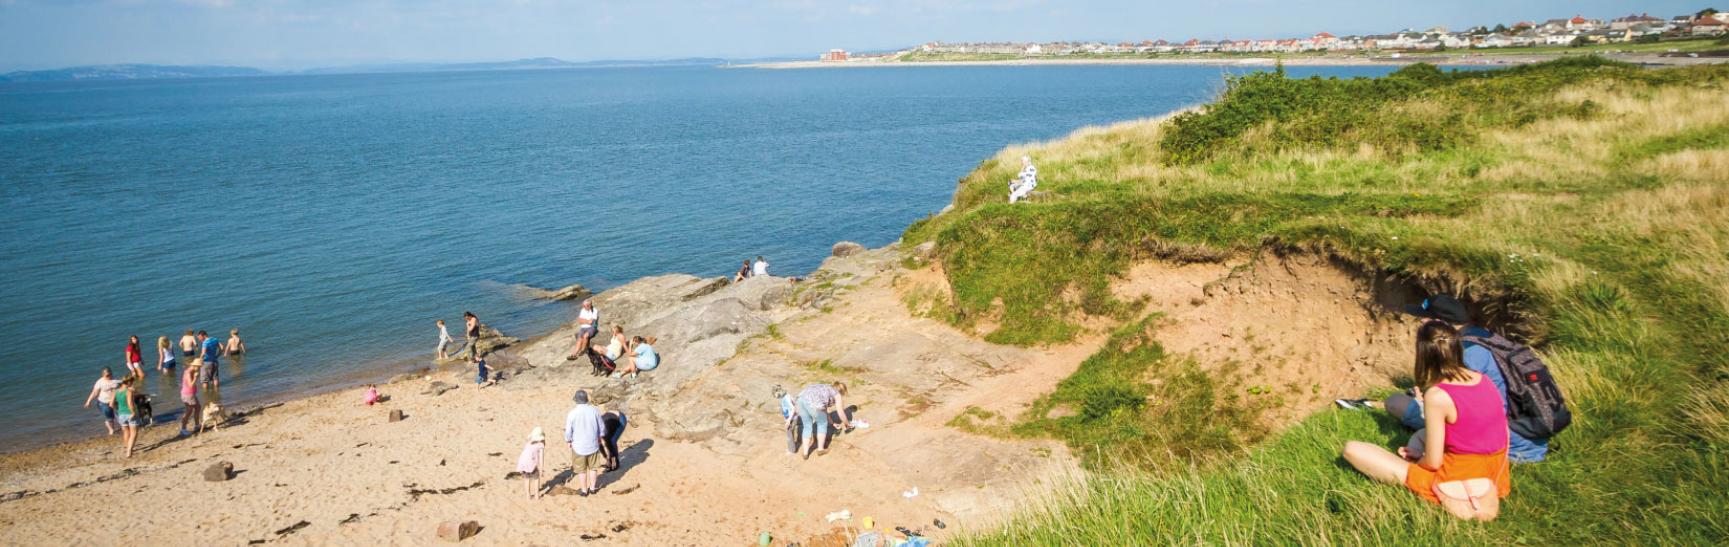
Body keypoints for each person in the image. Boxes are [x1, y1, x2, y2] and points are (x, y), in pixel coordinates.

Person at [1343, 321, 1510, 521]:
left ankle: (1421, 476)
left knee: (1352, 450)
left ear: (1424, 354)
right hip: (1495, 469)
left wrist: (1418, 460)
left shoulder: (1438, 395)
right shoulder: (1482, 379)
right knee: (1421, 435)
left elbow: (1433, 463)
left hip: (1460, 474)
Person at [1378, 295, 1549, 463]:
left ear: (1440, 323)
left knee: (1395, 402)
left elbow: (1461, 410)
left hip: (1507, 445)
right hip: (1533, 437)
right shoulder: (1486, 337)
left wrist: (1428, 400)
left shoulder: (1466, 353)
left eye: (1424, 319)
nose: (1421, 323)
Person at [563, 390, 606, 496]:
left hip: (578, 447)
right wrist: (600, 437)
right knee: (593, 468)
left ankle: (584, 490)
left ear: (576, 400)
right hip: (593, 445)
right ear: (586, 399)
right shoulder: (594, 410)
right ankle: (592, 488)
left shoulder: (572, 413)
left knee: (581, 470)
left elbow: (568, 431)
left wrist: (568, 440)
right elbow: (602, 427)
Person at [794, 382, 852, 460]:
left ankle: (805, 453)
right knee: (822, 423)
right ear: (842, 391)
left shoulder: (825, 388)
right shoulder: (836, 394)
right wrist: (847, 424)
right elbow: (841, 412)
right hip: (812, 404)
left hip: (801, 400)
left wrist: (832, 423)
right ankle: (820, 449)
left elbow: (823, 409)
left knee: (807, 426)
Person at [82, 367, 122, 436]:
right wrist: (88, 401)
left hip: (115, 401)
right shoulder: (100, 382)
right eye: (107, 376)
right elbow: (94, 392)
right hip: (103, 403)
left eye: (110, 374)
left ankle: (123, 426)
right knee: (110, 417)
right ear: (103, 375)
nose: (109, 376)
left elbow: (124, 386)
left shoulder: (116, 381)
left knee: (120, 414)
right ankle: (111, 429)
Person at [114, 375, 141, 458]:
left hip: (121, 414)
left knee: (126, 432)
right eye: (132, 382)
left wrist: (118, 409)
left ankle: (127, 447)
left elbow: (111, 403)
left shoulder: (116, 391)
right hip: (129, 413)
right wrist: (133, 412)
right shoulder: (129, 391)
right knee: (134, 433)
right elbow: (130, 403)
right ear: (129, 382)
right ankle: (129, 451)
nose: (132, 383)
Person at [517, 427, 547, 500]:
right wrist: (541, 470)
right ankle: (536, 496)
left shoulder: (529, 442)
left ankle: (528, 495)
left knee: (527, 479)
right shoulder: (540, 445)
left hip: (522, 462)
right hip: (531, 463)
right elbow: (541, 458)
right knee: (536, 478)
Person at [774, 386, 801, 456]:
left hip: (791, 419)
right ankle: (790, 448)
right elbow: (794, 403)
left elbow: (793, 409)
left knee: (789, 435)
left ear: (778, 392)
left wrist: (789, 420)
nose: (774, 396)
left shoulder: (785, 399)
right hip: (792, 418)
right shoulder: (786, 396)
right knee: (790, 433)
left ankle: (792, 451)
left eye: (774, 394)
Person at [178, 363, 202, 436]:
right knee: (189, 411)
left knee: (198, 407)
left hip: (190, 394)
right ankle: (183, 429)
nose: (199, 368)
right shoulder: (188, 373)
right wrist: (195, 377)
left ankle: (197, 425)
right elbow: (190, 385)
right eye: (198, 367)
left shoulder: (190, 370)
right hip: (188, 395)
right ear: (195, 366)